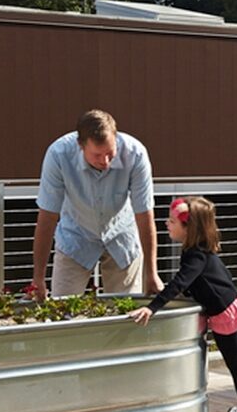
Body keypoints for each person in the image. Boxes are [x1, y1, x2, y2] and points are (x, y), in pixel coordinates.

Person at [129, 196, 237, 412]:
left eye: (172, 221)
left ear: (188, 228)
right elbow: (197, 283)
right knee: (235, 357)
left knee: (234, 362)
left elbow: (180, 282)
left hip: (223, 311)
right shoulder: (197, 250)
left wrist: (152, 308)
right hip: (225, 306)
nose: (166, 223)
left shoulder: (194, 255)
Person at [31, 110, 163, 299]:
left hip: (122, 236)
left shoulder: (135, 154)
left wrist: (152, 274)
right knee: (61, 312)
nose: (105, 161)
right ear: (81, 146)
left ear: (116, 138)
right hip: (75, 237)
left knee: (126, 314)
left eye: (110, 153)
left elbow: (144, 215)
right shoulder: (58, 155)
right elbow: (47, 217)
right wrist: (38, 278)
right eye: (97, 155)